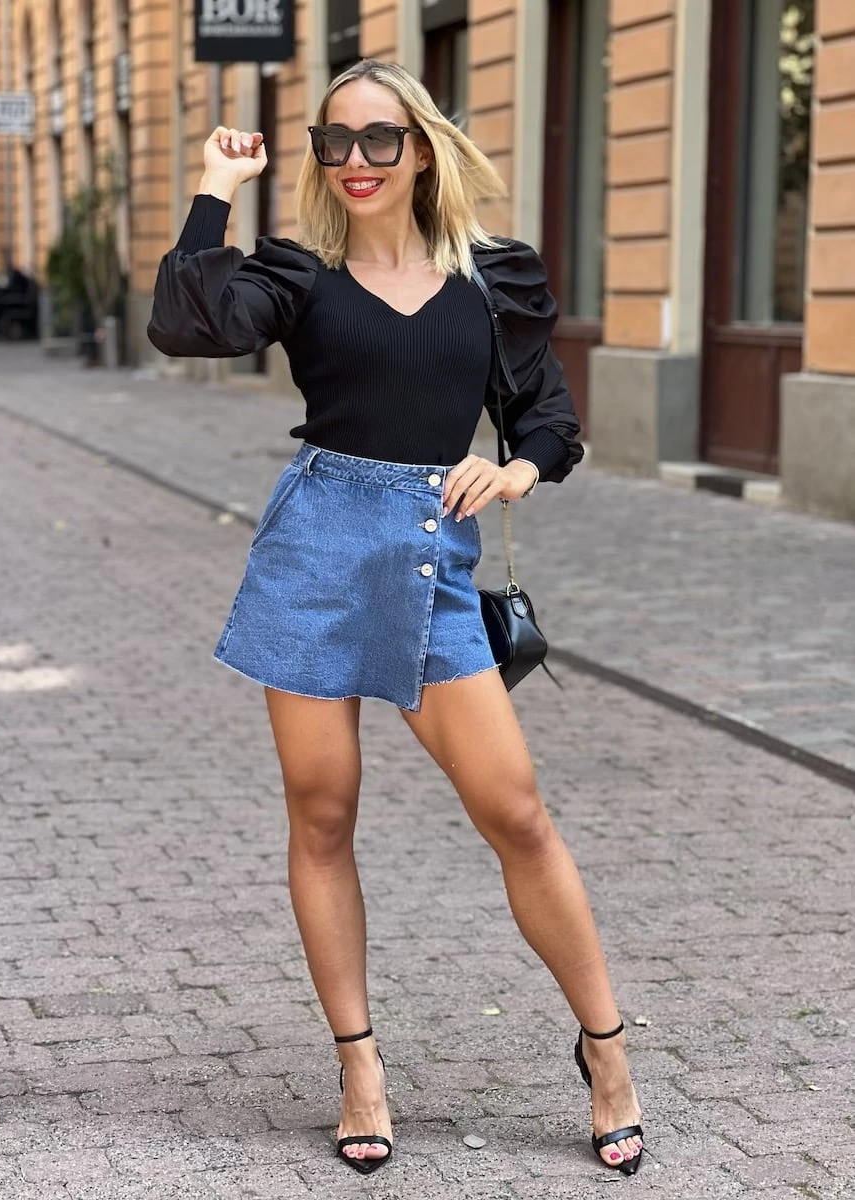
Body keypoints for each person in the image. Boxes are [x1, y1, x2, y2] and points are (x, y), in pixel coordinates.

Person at [147, 58, 645, 1179]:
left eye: (381, 139)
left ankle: (606, 1048)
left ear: (421, 147)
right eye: (336, 141)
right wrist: (215, 188)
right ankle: (359, 1066)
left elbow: (548, 418)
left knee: (517, 813)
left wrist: (515, 472)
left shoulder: (491, 278)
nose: (357, 161)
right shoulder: (297, 275)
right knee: (323, 814)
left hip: (432, 560)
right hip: (315, 553)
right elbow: (186, 325)